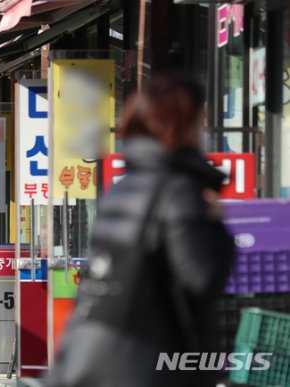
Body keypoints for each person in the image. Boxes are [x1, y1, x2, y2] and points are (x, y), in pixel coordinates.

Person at [46, 73, 235, 387]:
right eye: (198, 119)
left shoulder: (124, 188)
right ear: (178, 124)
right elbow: (203, 277)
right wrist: (214, 223)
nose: (202, 130)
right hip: (150, 364)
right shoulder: (177, 190)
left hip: (98, 354)